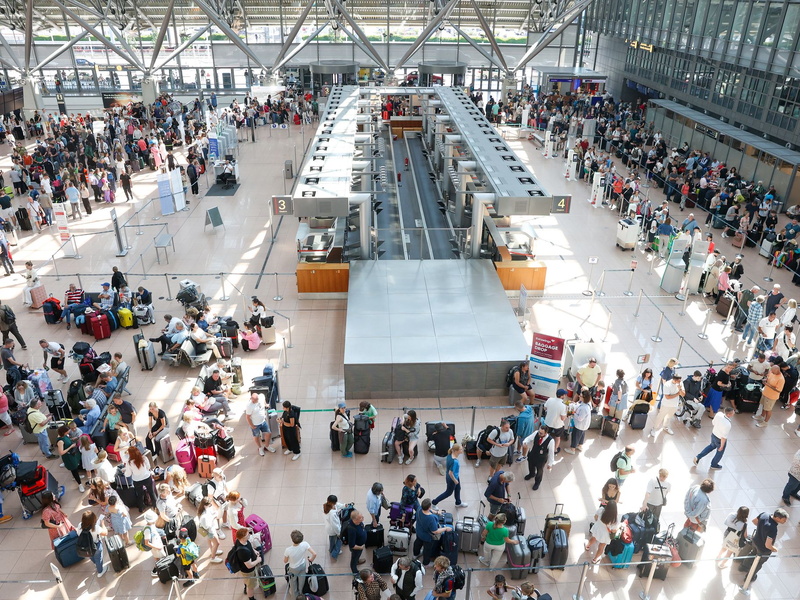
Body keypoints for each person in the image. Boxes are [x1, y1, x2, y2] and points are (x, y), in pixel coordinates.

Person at [750, 508, 789, 579]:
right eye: (784, 520)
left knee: (752, 553)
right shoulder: (773, 529)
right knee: (759, 563)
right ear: (777, 518)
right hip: (762, 549)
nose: (785, 521)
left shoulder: (764, 514)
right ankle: (750, 576)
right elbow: (768, 545)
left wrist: (761, 529)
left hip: (755, 541)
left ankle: (743, 567)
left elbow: (754, 521)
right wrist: (774, 549)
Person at [412, 498, 451, 565]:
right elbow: (435, 531)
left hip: (419, 532)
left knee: (417, 543)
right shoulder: (431, 518)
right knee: (427, 550)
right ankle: (426, 563)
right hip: (427, 537)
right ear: (429, 507)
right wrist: (445, 528)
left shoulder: (419, 509)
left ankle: (415, 555)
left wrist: (436, 512)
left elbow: (429, 510)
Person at [432, 444, 468, 508]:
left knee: (458, 489)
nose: (462, 450)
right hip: (452, 479)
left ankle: (458, 502)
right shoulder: (454, 461)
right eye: (461, 449)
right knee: (448, 493)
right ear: (456, 451)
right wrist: (455, 480)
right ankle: (434, 503)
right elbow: (450, 473)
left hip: (454, 476)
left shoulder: (449, 455)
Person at [521, 422, 555, 491]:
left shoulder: (550, 441)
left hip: (541, 459)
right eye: (539, 432)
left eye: (541, 433)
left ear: (546, 433)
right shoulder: (536, 433)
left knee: (539, 471)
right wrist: (525, 442)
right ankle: (531, 474)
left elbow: (551, 453)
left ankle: (537, 482)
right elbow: (529, 438)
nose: (539, 434)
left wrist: (550, 463)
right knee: (530, 465)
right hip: (533, 454)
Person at [584, 499, 619, 564]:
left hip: (597, 528)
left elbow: (595, 517)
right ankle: (595, 559)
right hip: (605, 534)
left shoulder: (601, 510)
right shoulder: (614, 520)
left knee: (593, 538)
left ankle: (587, 546)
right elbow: (613, 531)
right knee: (601, 547)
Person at [124, 445, 156, 513]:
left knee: (140, 495)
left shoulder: (129, 462)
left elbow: (128, 474)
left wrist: (124, 472)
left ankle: (141, 509)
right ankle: (155, 507)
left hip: (137, 481)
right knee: (151, 492)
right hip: (147, 478)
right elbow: (148, 467)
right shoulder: (144, 458)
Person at [649, 373, 683, 437]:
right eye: (678, 381)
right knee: (660, 416)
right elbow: (667, 397)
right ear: (675, 380)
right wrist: (677, 394)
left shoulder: (680, 384)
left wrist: (680, 389)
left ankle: (666, 427)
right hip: (666, 405)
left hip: (674, 405)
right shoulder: (667, 385)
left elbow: (683, 394)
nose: (680, 382)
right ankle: (654, 428)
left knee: (669, 417)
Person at [284, 530, 316, 596]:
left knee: (293, 583)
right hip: (303, 565)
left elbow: (285, 561)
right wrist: (311, 559)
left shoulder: (288, 550)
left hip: (293, 568)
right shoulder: (305, 544)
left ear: (292, 540)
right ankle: (301, 593)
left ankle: (295, 596)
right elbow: (314, 554)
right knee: (302, 580)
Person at [233, 527, 263, 600]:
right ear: (243, 538)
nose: (249, 535)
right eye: (247, 535)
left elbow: (248, 546)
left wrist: (254, 551)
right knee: (251, 586)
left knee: (246, 580)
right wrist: (258, 560)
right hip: (248, 571)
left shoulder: (239, 540)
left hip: (243, 568)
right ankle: (251, 597)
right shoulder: (244, 552)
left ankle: (246, 586)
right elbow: (249, 566)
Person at [245, 392, 276, 456]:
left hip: (263, 421)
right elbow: (248, 417)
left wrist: (265, 404)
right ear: (251, 399)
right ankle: (260, 448)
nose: (257, 401)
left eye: (257, 400)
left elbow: (263, 399)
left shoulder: (261, 396)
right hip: (255, 424)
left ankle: (267, 446)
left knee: (268, 433)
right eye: (255, 400)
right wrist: (252, 426)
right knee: (256, 436)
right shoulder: (249, 406)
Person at [54, 423, 83, 491]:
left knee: (76, 466)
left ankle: (76, 476)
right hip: (68, 456)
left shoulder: (65, 436)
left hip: (72, 454)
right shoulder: (60, 441)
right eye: (67, 431)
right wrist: (71, 446)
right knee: (74, 469)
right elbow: (61, 452)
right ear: (63, 432)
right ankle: (80, 484)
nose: (69, 431)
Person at [79, 510, 108, 577]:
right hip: (95, 545)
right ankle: (100, 571)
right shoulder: (95, 528)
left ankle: (95, 563)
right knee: (99, 558)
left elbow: (78, 533)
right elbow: (105, 533)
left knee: (90, 555)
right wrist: (103, 524)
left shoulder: (80, 525)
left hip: (85, 546)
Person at [565, 389, 592, 454]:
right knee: (581, 435)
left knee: (575, 436)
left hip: (580, 425)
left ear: (584, 398)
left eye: (581, 396)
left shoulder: (584, 408)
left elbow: (580, 418)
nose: (579, 396)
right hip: (584, 425)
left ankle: (572, 449)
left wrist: (574, 413)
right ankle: (580, 445)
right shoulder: (587, 404)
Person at [142, 510, 166, 577]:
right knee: (158, 557)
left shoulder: (151, 525)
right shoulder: (147, 530)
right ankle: (156, 570)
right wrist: (157, 547)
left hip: (157, 544)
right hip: (155, 547)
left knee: (157, 558)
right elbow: (146, 543)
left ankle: (157, 569)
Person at [543, 389, 568, 454]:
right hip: (558, 425)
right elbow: (563, 418)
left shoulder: (550, 400)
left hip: (548, 422)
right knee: (557, 437)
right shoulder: (563, 406)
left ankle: (544, 447)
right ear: (562, 396)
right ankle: (555, 450)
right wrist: (566, 414)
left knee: (546, 435)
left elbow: (545, 408)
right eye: (564, 394)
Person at [323, 495, 345, 561]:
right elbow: (335, 525)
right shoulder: (332, 514)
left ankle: (331, 549)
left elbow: (337, 505)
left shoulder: (326, 505)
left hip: (329, 528)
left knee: (332, 539)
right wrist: (339, 533)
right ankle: (335, 553)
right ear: (333, 503)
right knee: (338, 540)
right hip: (333, 529)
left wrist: (344, 505)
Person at [348, 510, 368, 574]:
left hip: (360, 545)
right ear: (355, 520)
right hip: (357, 548)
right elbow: (352, 545)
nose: (363, 518)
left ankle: (357, 561)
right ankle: (355, 571)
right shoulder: (352, 530)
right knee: (354, 559)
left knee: (357, 556)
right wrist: (360, 548)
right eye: (361, 518)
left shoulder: (358, 523)